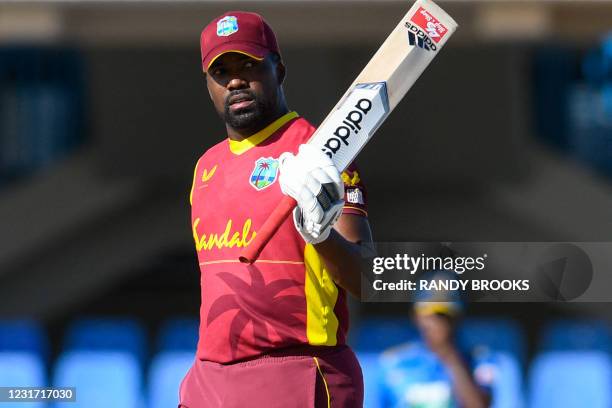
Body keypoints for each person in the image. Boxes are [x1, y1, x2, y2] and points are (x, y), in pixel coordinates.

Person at [179, 11, 373, 408]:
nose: (235, 80)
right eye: (222, 72)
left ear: (278, 69)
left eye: (248, 65)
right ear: (208, 85)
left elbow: (366, 277)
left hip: (296, 371)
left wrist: (319, 235)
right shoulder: (205, 167)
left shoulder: (321, 154)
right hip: (209, 378)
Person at [378, 271, 495, 408]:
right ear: (416, 316)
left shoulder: (480, 360)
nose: (438, 322)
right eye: (430, 313)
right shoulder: (393, 362)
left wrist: (449, 355)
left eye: (445, 315)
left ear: (459, 318)